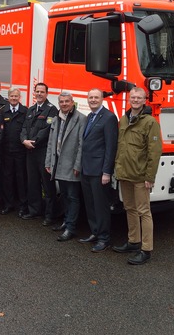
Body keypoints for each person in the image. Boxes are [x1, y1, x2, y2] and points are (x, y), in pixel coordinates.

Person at [112, 87, 162, 265]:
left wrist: (150, 176)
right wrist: (117, 170)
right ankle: (133, 241)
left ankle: (146, 249)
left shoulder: (150, 122)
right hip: (125, 173)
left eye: (139, 98)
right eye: (133, 97)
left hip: (141, 176)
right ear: (129, 99)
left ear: (144, 100)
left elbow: (154, 152)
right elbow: (121, 146)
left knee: (144, 212)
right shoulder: (124, 119)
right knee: (129, 208)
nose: (135, 100)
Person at [79, 88, 118, 252]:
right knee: (90, 204)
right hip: (86, 168)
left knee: (101, 205)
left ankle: (104, 238)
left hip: (99, 171)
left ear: (102, 99)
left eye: (96, 97)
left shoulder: (109, 118)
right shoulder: (90, 116)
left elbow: (111, 147)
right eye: (90, 97)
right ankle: (94, 232)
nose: (93, 100)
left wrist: (107, 172)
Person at [45, 91, 84, 242]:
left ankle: (71, 228)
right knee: (65, 196)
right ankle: (66, 222)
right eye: (62, 102)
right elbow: (51, 142)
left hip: (71, 166)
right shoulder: (57, 118)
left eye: (67, 101)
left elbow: (81, 145)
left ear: (72, 102)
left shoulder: (81, 119)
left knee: (73, 197)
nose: (64, 104)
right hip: (58, 165)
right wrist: (48, 162)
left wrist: (78, 165)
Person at [20, 83, 58, 223]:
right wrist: (24, 140)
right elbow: (24, 127)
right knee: (33, 182)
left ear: (47, 94)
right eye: (37, 91)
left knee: (47, 185)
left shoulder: (51, 110)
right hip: (30, 152)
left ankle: (49, 215)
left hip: (42, 151)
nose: (39, 94)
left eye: (42, 92)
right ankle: (34, 210)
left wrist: (33, 142)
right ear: (34, 93)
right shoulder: (30, 110)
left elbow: (47, 130)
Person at [0, 88, 27, 215]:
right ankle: (8, 204)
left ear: (19, 97)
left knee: (21, 179)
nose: (14, 98)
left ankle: (22, 206)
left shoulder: (25, 111)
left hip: (20, 151)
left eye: (16, 96)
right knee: (7, 178)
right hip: (6, 151)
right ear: (8, 97)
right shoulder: (2, 111)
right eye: (12, 96)